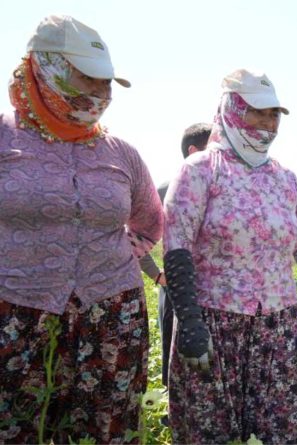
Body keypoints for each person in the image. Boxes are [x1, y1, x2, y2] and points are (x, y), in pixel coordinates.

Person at [162, 68, 297, 444]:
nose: (267, 123)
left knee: (277, 430)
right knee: (209, 430)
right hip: (214, 326)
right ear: (232, 109)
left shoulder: (285, 179)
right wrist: (191, 322)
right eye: (257, 112)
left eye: (273, 114)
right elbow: (177, 244)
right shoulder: (200, 171)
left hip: (277, 328)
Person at [0, 15, 163, 444]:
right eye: (87, 78)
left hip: (110, 314)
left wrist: (109, 257)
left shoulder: (121, 153)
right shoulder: (3, 138)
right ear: (46, 68)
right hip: (16, 311)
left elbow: (150, 222)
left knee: (103, 431)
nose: (99, 93)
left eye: (106, 83)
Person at [137, 122, 211, 391]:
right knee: (175, 348)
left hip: (210, 292)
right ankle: (173, 413)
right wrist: (156, 274)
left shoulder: (225, 187)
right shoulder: (169, 189)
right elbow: (135, 236)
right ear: (193, 151)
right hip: (175, 290)